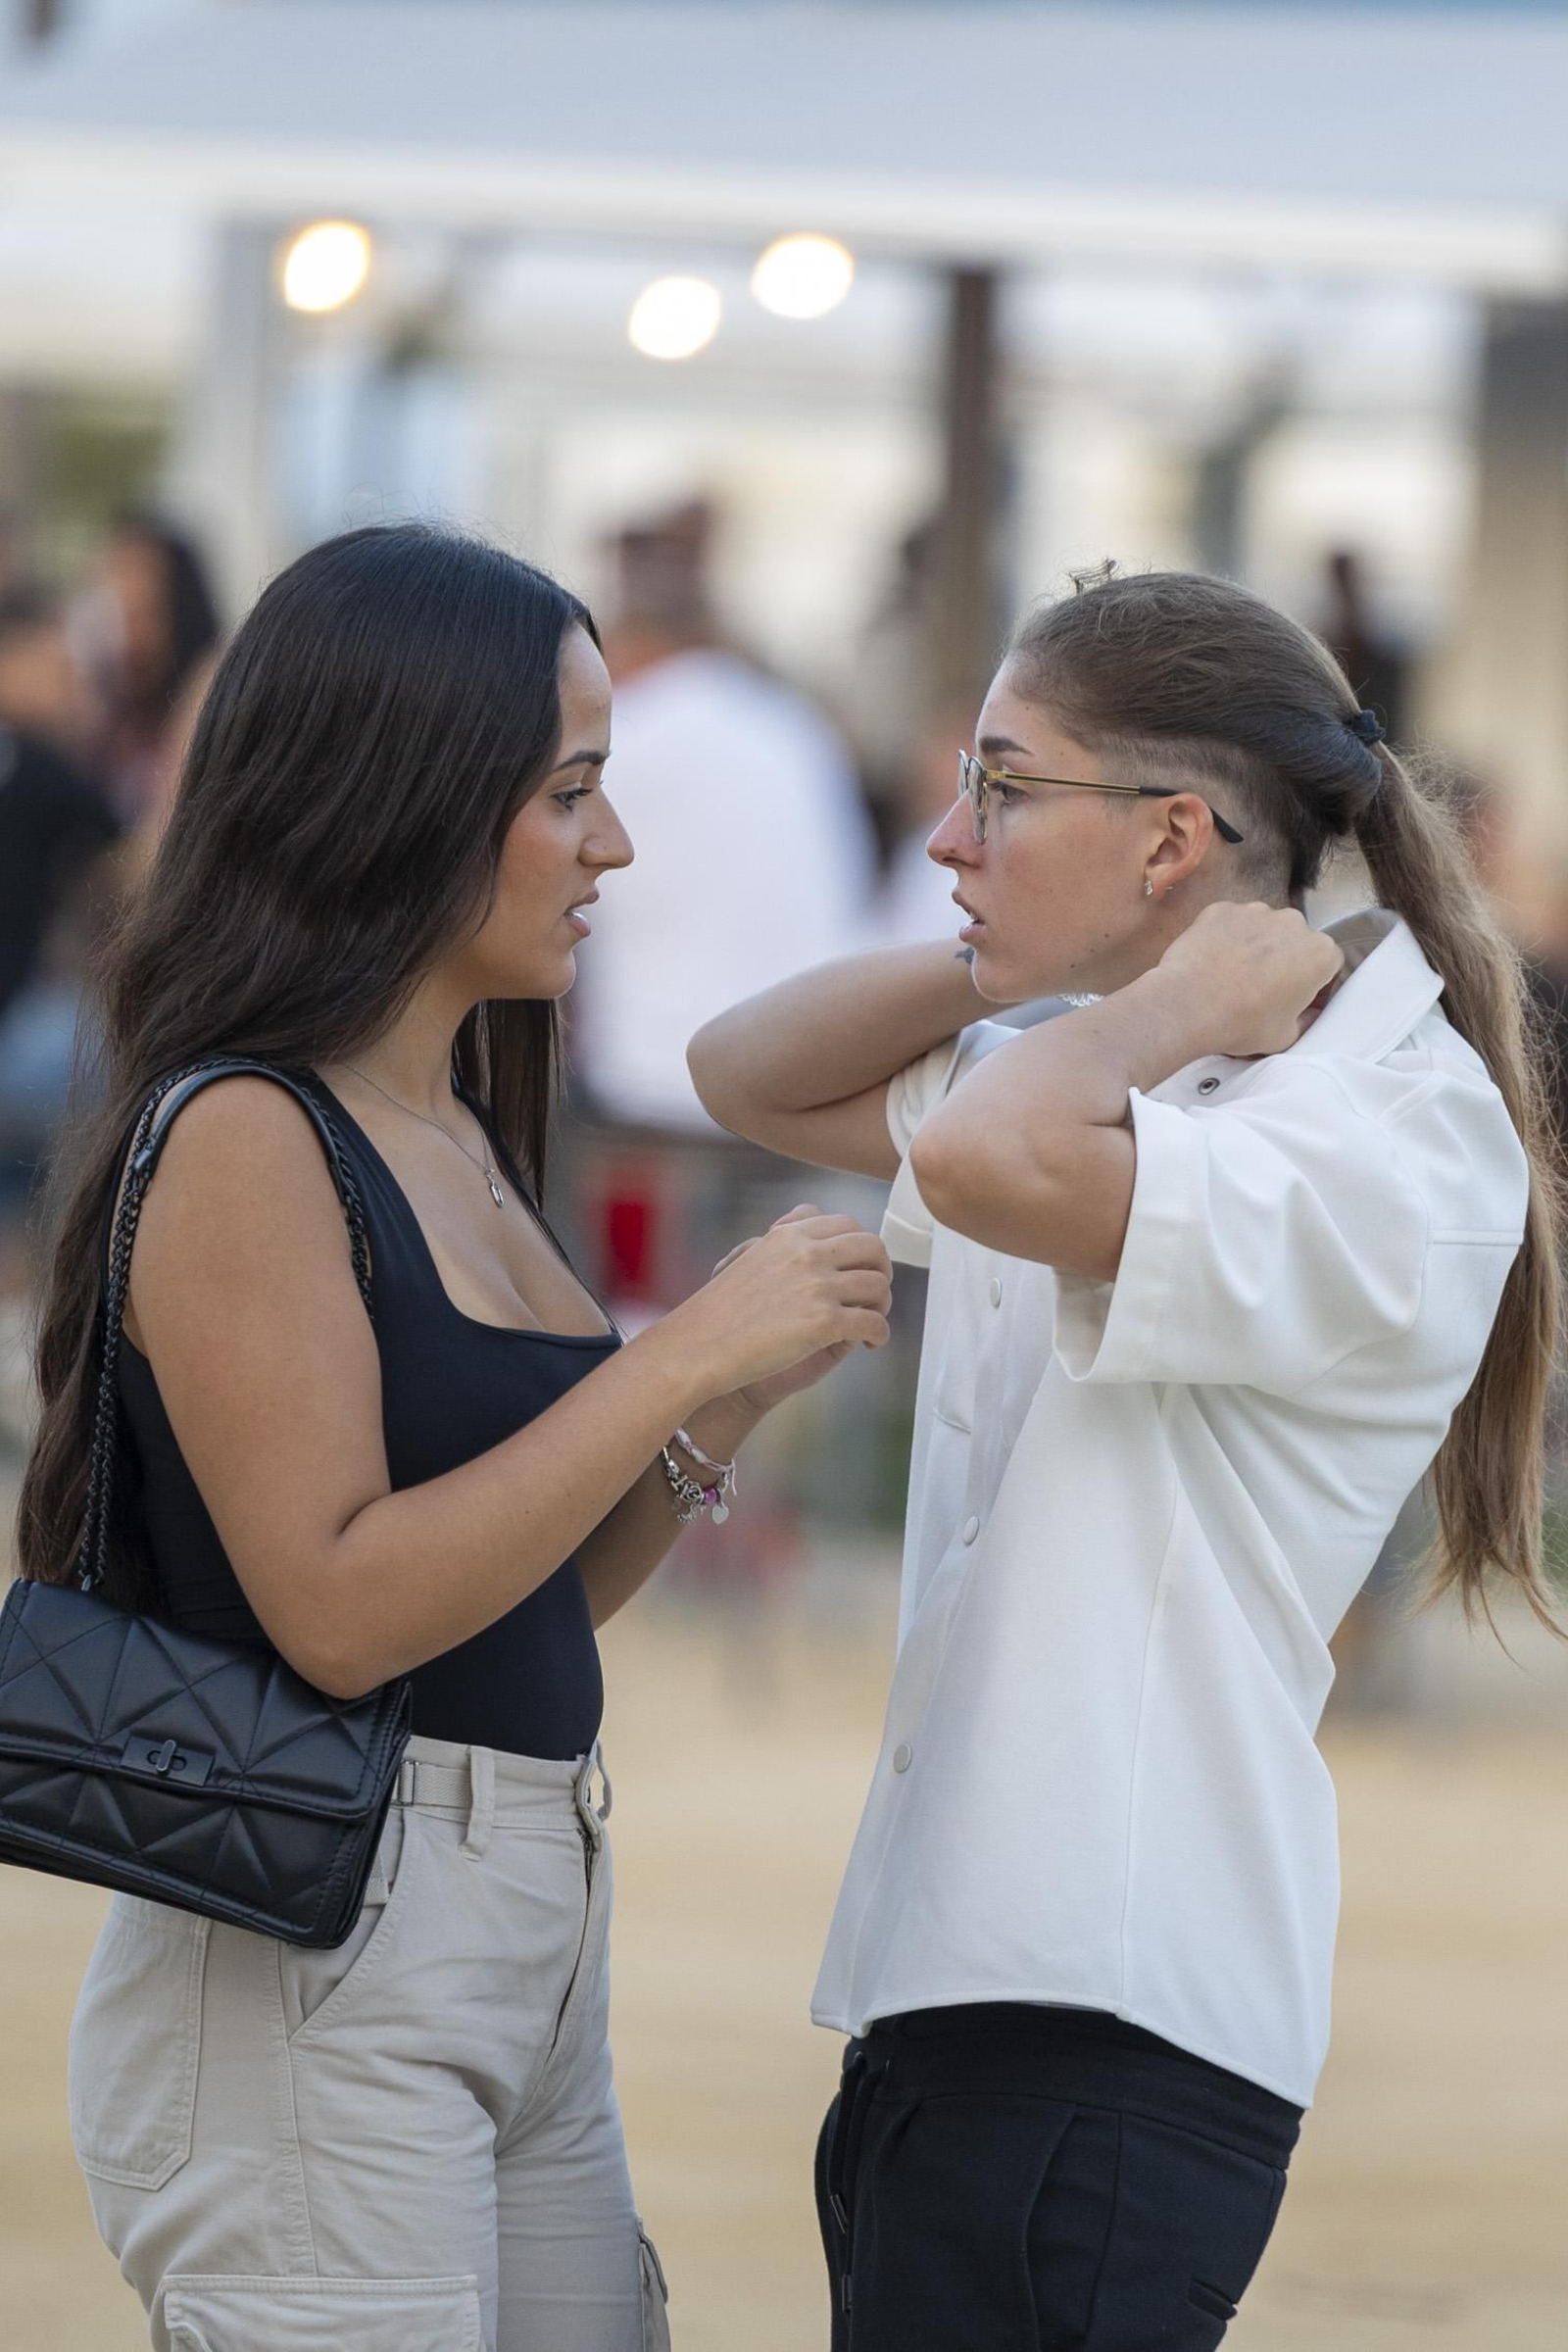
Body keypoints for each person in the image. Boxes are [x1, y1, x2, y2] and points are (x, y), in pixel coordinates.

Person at [16, 523, 893, 2352]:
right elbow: (340, 1610)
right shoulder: (251, 1133)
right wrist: (672, 1364)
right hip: (315, 1965)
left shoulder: (459, 1124)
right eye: (572, 792)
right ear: (407, 793)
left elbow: (539, 1596)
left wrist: (717, 1395)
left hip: (518, 1938)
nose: (617, 848)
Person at [689, 564, 1560, 2349]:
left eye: (1002, 788)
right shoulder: (1105, 1066)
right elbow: (744, 1072)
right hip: (978, 1994)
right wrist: (1068, 968)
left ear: (1175, 837)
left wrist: (1150, 1008)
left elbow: (988, 1160)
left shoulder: (1375, 1124)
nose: (949, 837)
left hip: (1106, 2019)